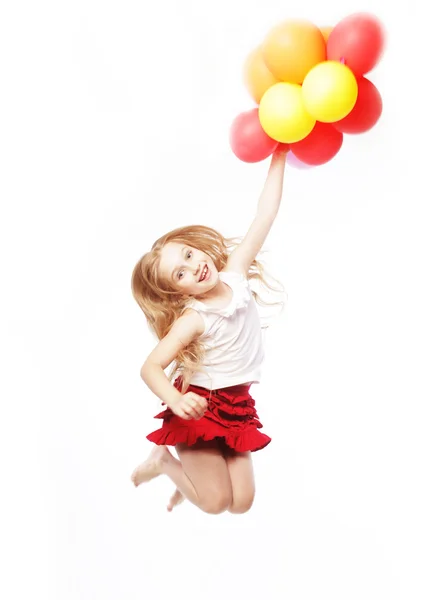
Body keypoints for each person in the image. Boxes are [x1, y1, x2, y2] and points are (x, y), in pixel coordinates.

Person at [130, 148, 287, 514]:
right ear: (179, 292)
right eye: (180, 274)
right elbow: (149, 367)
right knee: (217, 502)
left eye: (187, 255)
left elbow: (265, 212)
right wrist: (175, 399)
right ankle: (165, 462)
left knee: (242, 503)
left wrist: (280, 152)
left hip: (238, 403)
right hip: (199, 407)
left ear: (196, 248)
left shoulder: (235, 273)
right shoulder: (194, 319)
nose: (193, 267)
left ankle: (188, 476)